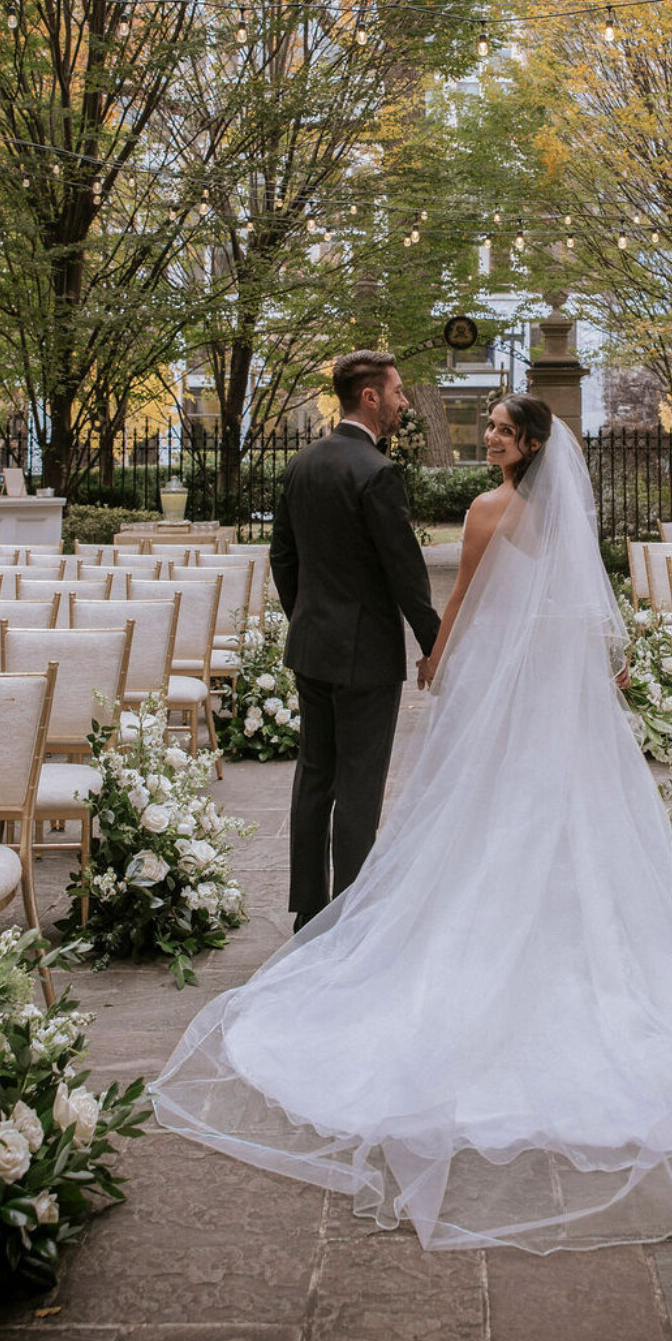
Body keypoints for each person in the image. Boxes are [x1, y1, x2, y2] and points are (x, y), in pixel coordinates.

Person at [154, 394, 672, 1251]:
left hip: (509, 682)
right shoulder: (562, 514)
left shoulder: (486, 510)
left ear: (529, 445)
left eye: (502, 435)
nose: (490, 444)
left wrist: (436, 658)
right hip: (559, 687)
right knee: (560, 807)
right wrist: (605, 663)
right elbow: (588, 600)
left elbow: (467, 598)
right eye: (492, 434)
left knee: (489, 808)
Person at [266, 351, 442, 931]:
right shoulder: (376, 472)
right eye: (396, 392)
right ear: (369, 396)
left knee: (315, 775)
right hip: (365, 655)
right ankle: (350, 915)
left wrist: (307, 618)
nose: (403, 402)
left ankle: (309, 910)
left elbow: (283, 558)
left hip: (312, 647)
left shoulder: (301, 465)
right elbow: (405, 572)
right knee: (361, 784)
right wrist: (433, 643)